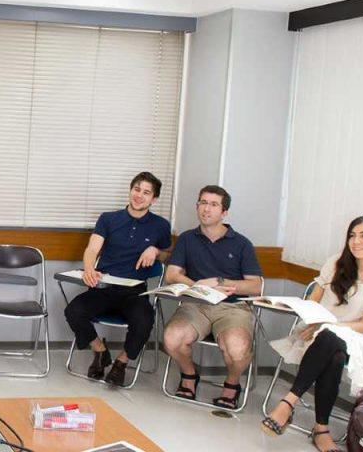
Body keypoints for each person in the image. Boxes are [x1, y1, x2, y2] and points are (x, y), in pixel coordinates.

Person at [261, 216, 363, 452]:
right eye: (352, 235)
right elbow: (313, 300)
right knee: (333, 352)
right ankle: (321, 429)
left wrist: (326, 327)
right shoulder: (336, 263)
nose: (356, 241)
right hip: (319, 332)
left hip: (359, 339)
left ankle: (288, 402)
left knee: (332, 339)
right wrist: (314, 322)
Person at [63, 172, 172, 386]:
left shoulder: (160, 225)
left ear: (154, 199)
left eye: (146, 192)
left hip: (135, 292)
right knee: (73, 311)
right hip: (103, 287)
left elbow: (168, 253)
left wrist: (156, 251)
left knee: (144, 320)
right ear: (130, 190)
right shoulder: (108, 219)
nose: (139, 195)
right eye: (137, 189)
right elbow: (92, 248)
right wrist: (88, 269)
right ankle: (100, 351)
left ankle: (121, 362)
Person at [162, 185, 263, 410]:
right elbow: (172, 274)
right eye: (203, 203)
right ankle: (189, 375)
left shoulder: (241, 243)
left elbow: (256, 286)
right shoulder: (188, 239)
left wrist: (219, 282)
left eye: (213, 204)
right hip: (196, 304)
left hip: (232, 308)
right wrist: (197, 285)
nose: (206, 209)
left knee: (237, 348)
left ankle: (232, 384)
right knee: (172, 339)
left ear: (224, 212)